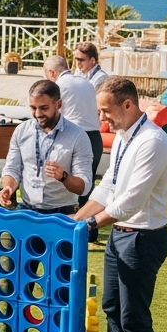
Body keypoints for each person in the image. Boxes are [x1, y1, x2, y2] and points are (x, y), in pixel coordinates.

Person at [74, 77, 167, 332]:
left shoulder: (153, 142)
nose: (102, 119)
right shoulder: (123, 136)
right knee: (113, 308)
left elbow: (131, 201)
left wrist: (90, 225)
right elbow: (109, 187)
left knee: (134, 319)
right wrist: (76, 219)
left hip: (143, 239)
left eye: (106, 111)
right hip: (120, 236)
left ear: (128, 105)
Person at [0, 80, 93, 215]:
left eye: (44, 108)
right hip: (26, 210)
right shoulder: (21, 131)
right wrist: (8, 187)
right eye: (33, 108)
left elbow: (84, 188)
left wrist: (63, 177)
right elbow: (12, 168)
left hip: (62, 213)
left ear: (58, 104)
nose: (37, 114)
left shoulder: (78, 136)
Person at [44, 54, 104, 234]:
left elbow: (52, 117)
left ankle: (65, 230)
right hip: (95, 138)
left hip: (74, 139)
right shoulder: (87, 82)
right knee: (88, 186)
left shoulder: (58, 87)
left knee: (68, 187)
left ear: (52, 72)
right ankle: (90, 231)